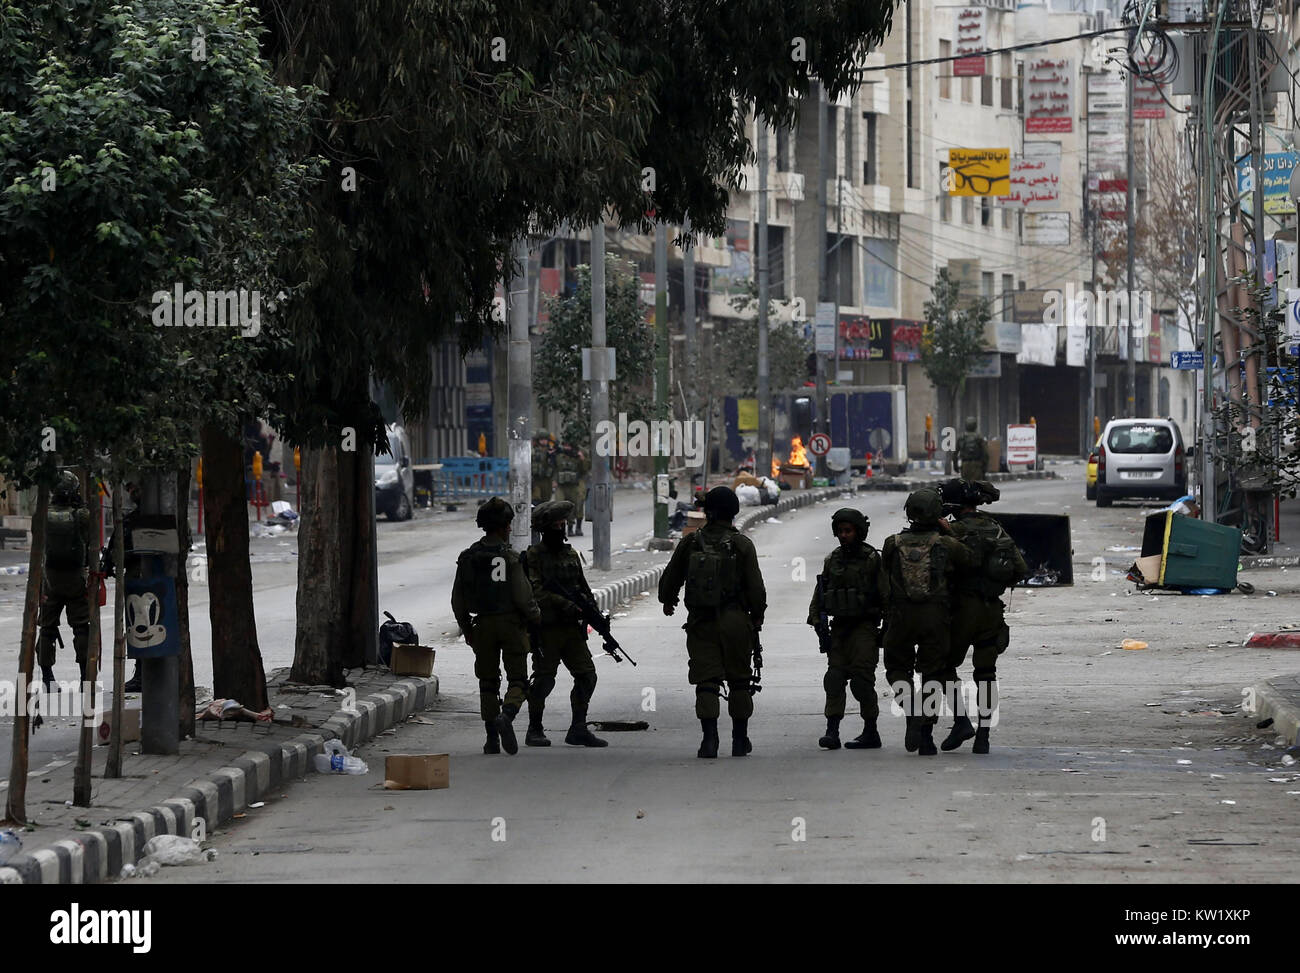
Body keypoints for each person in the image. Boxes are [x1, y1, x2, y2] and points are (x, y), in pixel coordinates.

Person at [657, 486, 766, 758]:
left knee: (707, 681)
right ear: (733, 513)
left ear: (707, 512)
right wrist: (756, 618)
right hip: (736, 621)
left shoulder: (691, 542)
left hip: (701, 622)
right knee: (740, 681)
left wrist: (668, 601)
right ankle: (740, 741)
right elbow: (757, 590)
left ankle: (709, 741)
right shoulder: (742, 545)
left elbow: (669, 581)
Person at [880, 488, 976, 756]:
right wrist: (950, 531)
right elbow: (971, 560)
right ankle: (926, 737)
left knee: (897, 668)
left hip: (900, 616)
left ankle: (912, 711)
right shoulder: (946, 544)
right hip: (936, 617)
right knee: (933, 675)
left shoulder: (892, 543)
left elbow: (884, 576)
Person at [937, 479, 1027, 754]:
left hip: (963, 610)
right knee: (986, 674)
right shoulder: (996, 528)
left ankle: (962, 720)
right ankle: (983, 737)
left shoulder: (953, 531)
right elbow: (1020, 569)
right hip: (992, 612)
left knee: (942, 666)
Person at [451, 497, 541, 755]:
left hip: (482, 626)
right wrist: (536, 618)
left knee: (487, 682)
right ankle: (507, 716)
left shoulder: (468, 558)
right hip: (512, 626)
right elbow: (524, 598)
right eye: (508, 525)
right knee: (519, 681)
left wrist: (466, 627)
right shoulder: (511, 558)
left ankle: (491, 738)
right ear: (502, 527)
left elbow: (457, 599)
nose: (511, 529)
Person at [521, 500, 605, 747]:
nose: (562, 529)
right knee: (544, 679)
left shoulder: (570, 554)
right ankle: (534, 729)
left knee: (587, 675)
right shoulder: (533, 556)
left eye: (563, 524)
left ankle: (578, 728)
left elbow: (583, 587)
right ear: (545, 529)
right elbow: (535, 592)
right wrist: (564, 604)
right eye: (557, 525)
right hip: (546, 629)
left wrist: (593, 611)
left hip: (571, 629)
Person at [807, 508, 889, 750]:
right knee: (834, 679)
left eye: (848, 531)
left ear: (858, 532)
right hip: (840, 628)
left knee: (862, 681)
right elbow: (820, 594)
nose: (844, 535)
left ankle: (871, 730)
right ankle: (832, 731)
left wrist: (887, 629)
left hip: (864, 628)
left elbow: (886, 596)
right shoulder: (833, 559)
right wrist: (817, 621)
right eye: (840, 531)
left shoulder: (872, 559)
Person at [38, 471, 92, 689]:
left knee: (47, 629)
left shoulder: (44, 514)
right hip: (75, 578)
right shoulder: (81, 514)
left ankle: (47, 677)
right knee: (81, 628)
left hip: (49, 579)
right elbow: (89, 540)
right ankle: (84, 677)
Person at [101, 482, 144, 692]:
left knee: (139, 627)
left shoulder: (131, 521)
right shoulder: (132, 520)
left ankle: (143, 675)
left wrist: (110, 564)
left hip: (138, 579)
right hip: (155, 580)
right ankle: (143, 673)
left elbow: (114, 553)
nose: (132, 492)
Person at [555, 442, 589, 536]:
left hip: (574, 485)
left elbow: (585, 469)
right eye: (565, 445)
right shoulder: (559, 456)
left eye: (568, 445)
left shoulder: (577, 456)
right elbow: (554, 468)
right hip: (561, 485)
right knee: (559, 506)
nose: (566, 447)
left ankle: (574, 527)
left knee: (575, 506)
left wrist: (582, 459)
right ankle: (562, 529)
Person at [955, 417, 988, 482]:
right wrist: (984, 467)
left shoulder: (961, 438)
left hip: (965, 466)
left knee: (966, 486)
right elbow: (985, 454)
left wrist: (955, 466)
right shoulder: (979, 438)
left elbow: (955, 454)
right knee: (977, 485)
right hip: (977, 466)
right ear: (975, 426)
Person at [531, 430, 556, 505]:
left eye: (545, 439)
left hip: (547, 480)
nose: (543, 441)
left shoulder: (551, 450)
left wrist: (554, 480)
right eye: (541, 439)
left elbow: (555, 467)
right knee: (536, 499)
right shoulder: (533, 451)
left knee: (546, 501)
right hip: (536, 480)